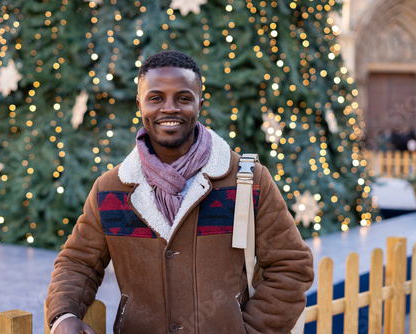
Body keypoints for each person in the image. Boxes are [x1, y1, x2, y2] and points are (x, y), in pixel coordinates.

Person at [45, 50, 314, 334]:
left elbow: (291, 267)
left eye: (183, 98)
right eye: (156, 98)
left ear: (200, 103)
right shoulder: (111, 189)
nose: (169, 108)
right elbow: (77, 263)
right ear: (140, 105)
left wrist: (250, 330)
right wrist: (62, 316)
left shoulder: (248, 180)